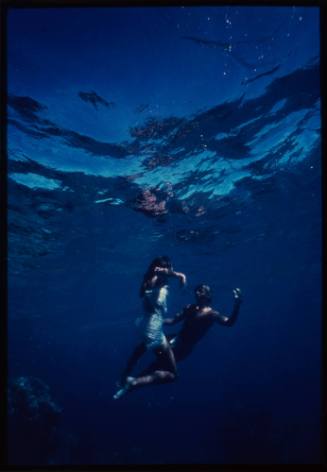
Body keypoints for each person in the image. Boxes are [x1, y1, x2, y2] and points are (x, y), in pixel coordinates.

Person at [113, 256, 186, 400]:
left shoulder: (152, 279)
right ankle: (134, 381)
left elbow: (171, 275)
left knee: (140, 350)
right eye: (168, 267)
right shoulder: (155, 280)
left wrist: (180, 275)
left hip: (146, 324)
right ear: (160, 268)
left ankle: (124, 377)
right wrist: (166, 274)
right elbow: (157, 281)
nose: (170, 270)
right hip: (153, 328)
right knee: (172, 374)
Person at [137, 284, 242, 377]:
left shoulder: (212, 314)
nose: (197, 292)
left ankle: (132, 383)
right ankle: (129, 373)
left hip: (184, 348)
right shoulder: (189, 307)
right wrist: (157, 320)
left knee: (157, 365)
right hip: (175, 338)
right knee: (146, 345)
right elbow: (173, 320)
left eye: (201, 291)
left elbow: (229, 323)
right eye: (196, 291)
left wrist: (237, 305)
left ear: (208, 295)